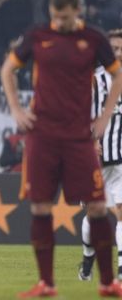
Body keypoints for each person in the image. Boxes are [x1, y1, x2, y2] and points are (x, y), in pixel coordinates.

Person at [0, 0, 122, 298]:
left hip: (79, 137)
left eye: (65, 17)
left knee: (97, 206)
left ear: (76, 12)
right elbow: (8, 69)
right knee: (41, 206)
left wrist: (105, 116)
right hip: (42, 136)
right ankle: (46, 283)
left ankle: (107, 282)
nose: (60, 22)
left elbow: (117, 73)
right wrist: (16, 109)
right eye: (56, 16)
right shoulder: (37, 36)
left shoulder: (93, 39)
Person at [78, 28, 122, 281]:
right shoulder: (93, 81)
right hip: (95, 159)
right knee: (95, 214)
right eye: (113, 49)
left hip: (121, 158)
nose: (117, 53)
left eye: (121, 49)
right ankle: (87, 263)